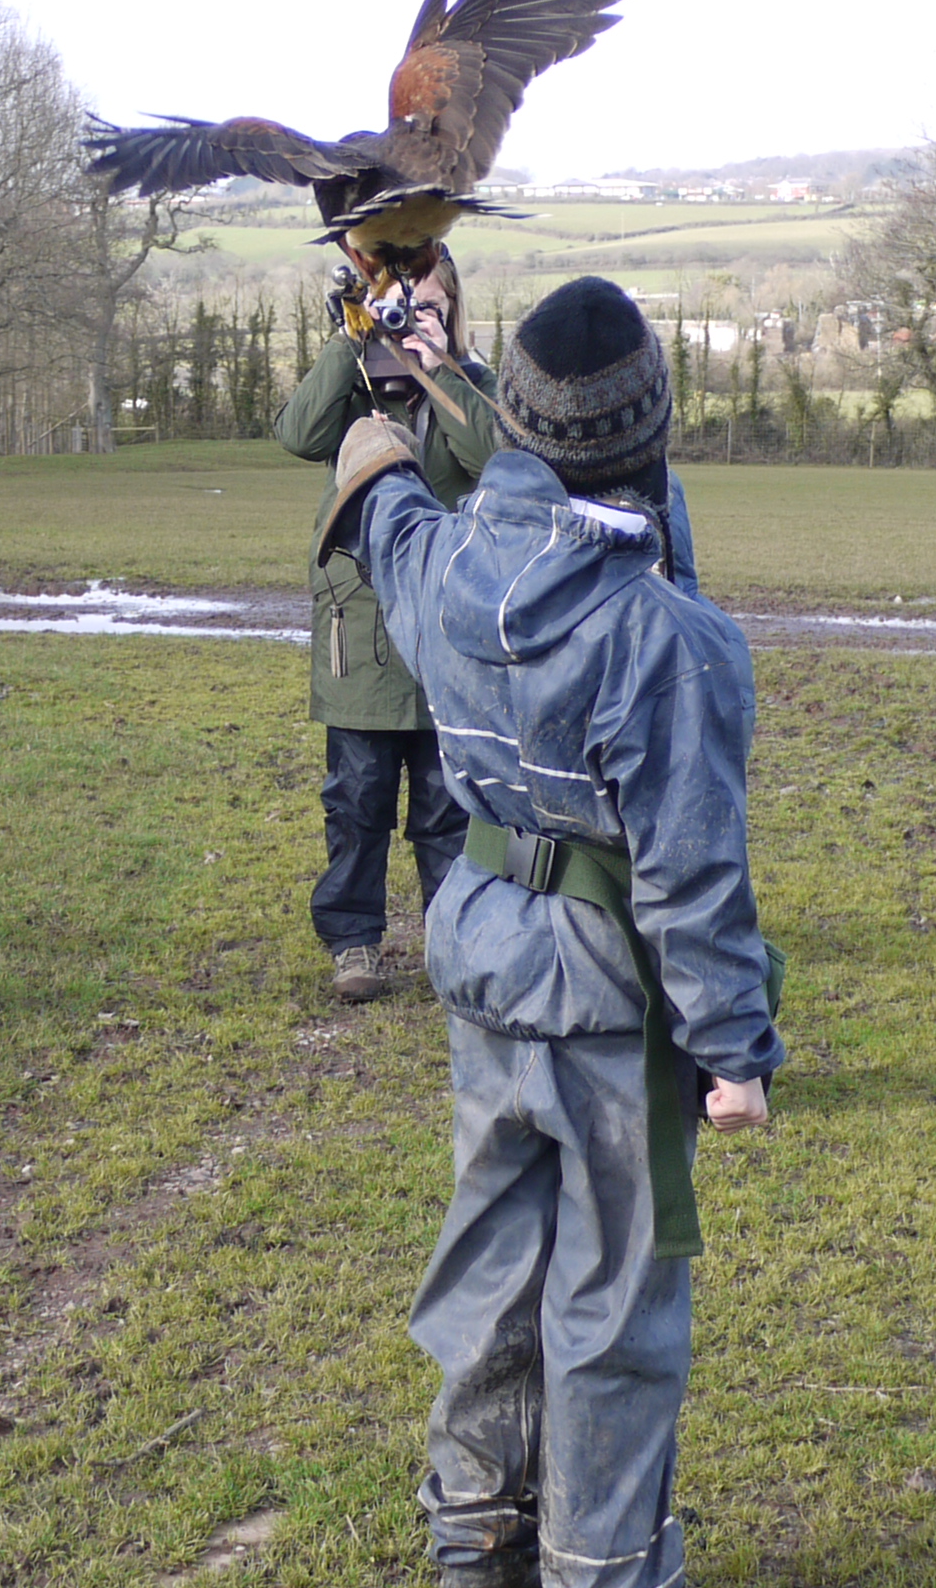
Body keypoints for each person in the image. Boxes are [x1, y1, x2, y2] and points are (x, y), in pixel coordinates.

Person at [320, 274, 780, 1588]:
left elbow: (389, 513)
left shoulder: (447, 565)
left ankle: (474, 1550)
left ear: (516, 423)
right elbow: (691, 879)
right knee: (612, 1316)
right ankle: (600, 1567)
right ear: (651, 436)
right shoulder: (671, 640)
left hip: (485, 965)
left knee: (491, 1277)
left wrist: (390, 414)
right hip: (617, 1009)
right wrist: (733, 1053)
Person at [271, 249, 496, 1002]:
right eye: (400, 304)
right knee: (357, 800)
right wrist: (350, 337)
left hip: (446, 629)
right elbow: (298, 435)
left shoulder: (474, 384)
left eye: (426, 305)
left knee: (447, 805)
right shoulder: (355, 387)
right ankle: (354, 944)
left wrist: (445, 368)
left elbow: (495, 458)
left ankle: (451, 938)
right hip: (360, 631)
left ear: (453, 311)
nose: (409, 319)